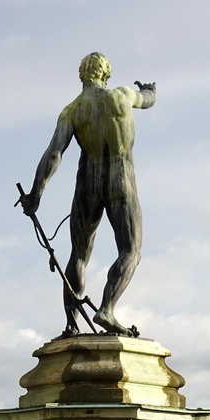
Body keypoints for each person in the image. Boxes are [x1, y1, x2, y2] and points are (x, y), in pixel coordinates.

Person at [20, 52, 155, 338]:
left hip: (87, 186)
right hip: (122, 184)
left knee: (78, 257)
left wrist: (35, 194)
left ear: (82, 75)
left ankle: (71, 325)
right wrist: (149, 90)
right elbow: (147, 100)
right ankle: (106, 308)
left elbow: (54, 154)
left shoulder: (72, 110)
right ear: (106, 74)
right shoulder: (122, 96)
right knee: (130, 251)